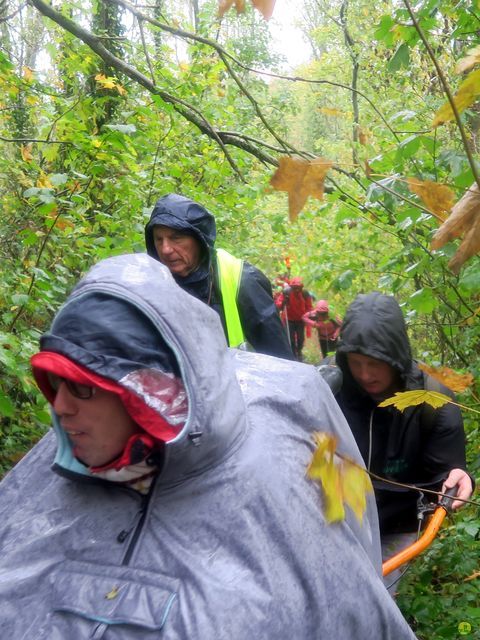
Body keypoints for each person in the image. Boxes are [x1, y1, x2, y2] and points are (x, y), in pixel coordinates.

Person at [0, 255, 417, 639]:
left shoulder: (278, 492)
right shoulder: (36, 491)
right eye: (55, 383)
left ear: (149, 394)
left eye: (83, 388)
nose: (60, 407)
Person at [333, 292, 474, 590]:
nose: (365, 374)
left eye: (374, 363)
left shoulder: (433, 401)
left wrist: (459, 477)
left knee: (377, 600)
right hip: (336, 520)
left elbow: (446, 473)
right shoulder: (330, 387)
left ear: (395, 357)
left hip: (397, 525)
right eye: (355, 362)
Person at [145, 193, 293, 360]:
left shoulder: (241, 281)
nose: (165, 249)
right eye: (159, 239)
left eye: (176, 238)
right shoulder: (150, 284)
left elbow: (282, 362)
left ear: (199, 240)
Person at [274, 276, 312, 360]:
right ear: (291, 287)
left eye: (299, 288)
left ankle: (299, 352)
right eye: (295, 288)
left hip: (300, 320)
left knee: (300, 338)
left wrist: (308, 316)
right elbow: (278, 305)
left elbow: (309, 307)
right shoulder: (286, 292)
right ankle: (293, 353)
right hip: (289, 319)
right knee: (290, 338)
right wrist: (283, 302)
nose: (297, 290)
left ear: (301, 287)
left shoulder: (305, 294)